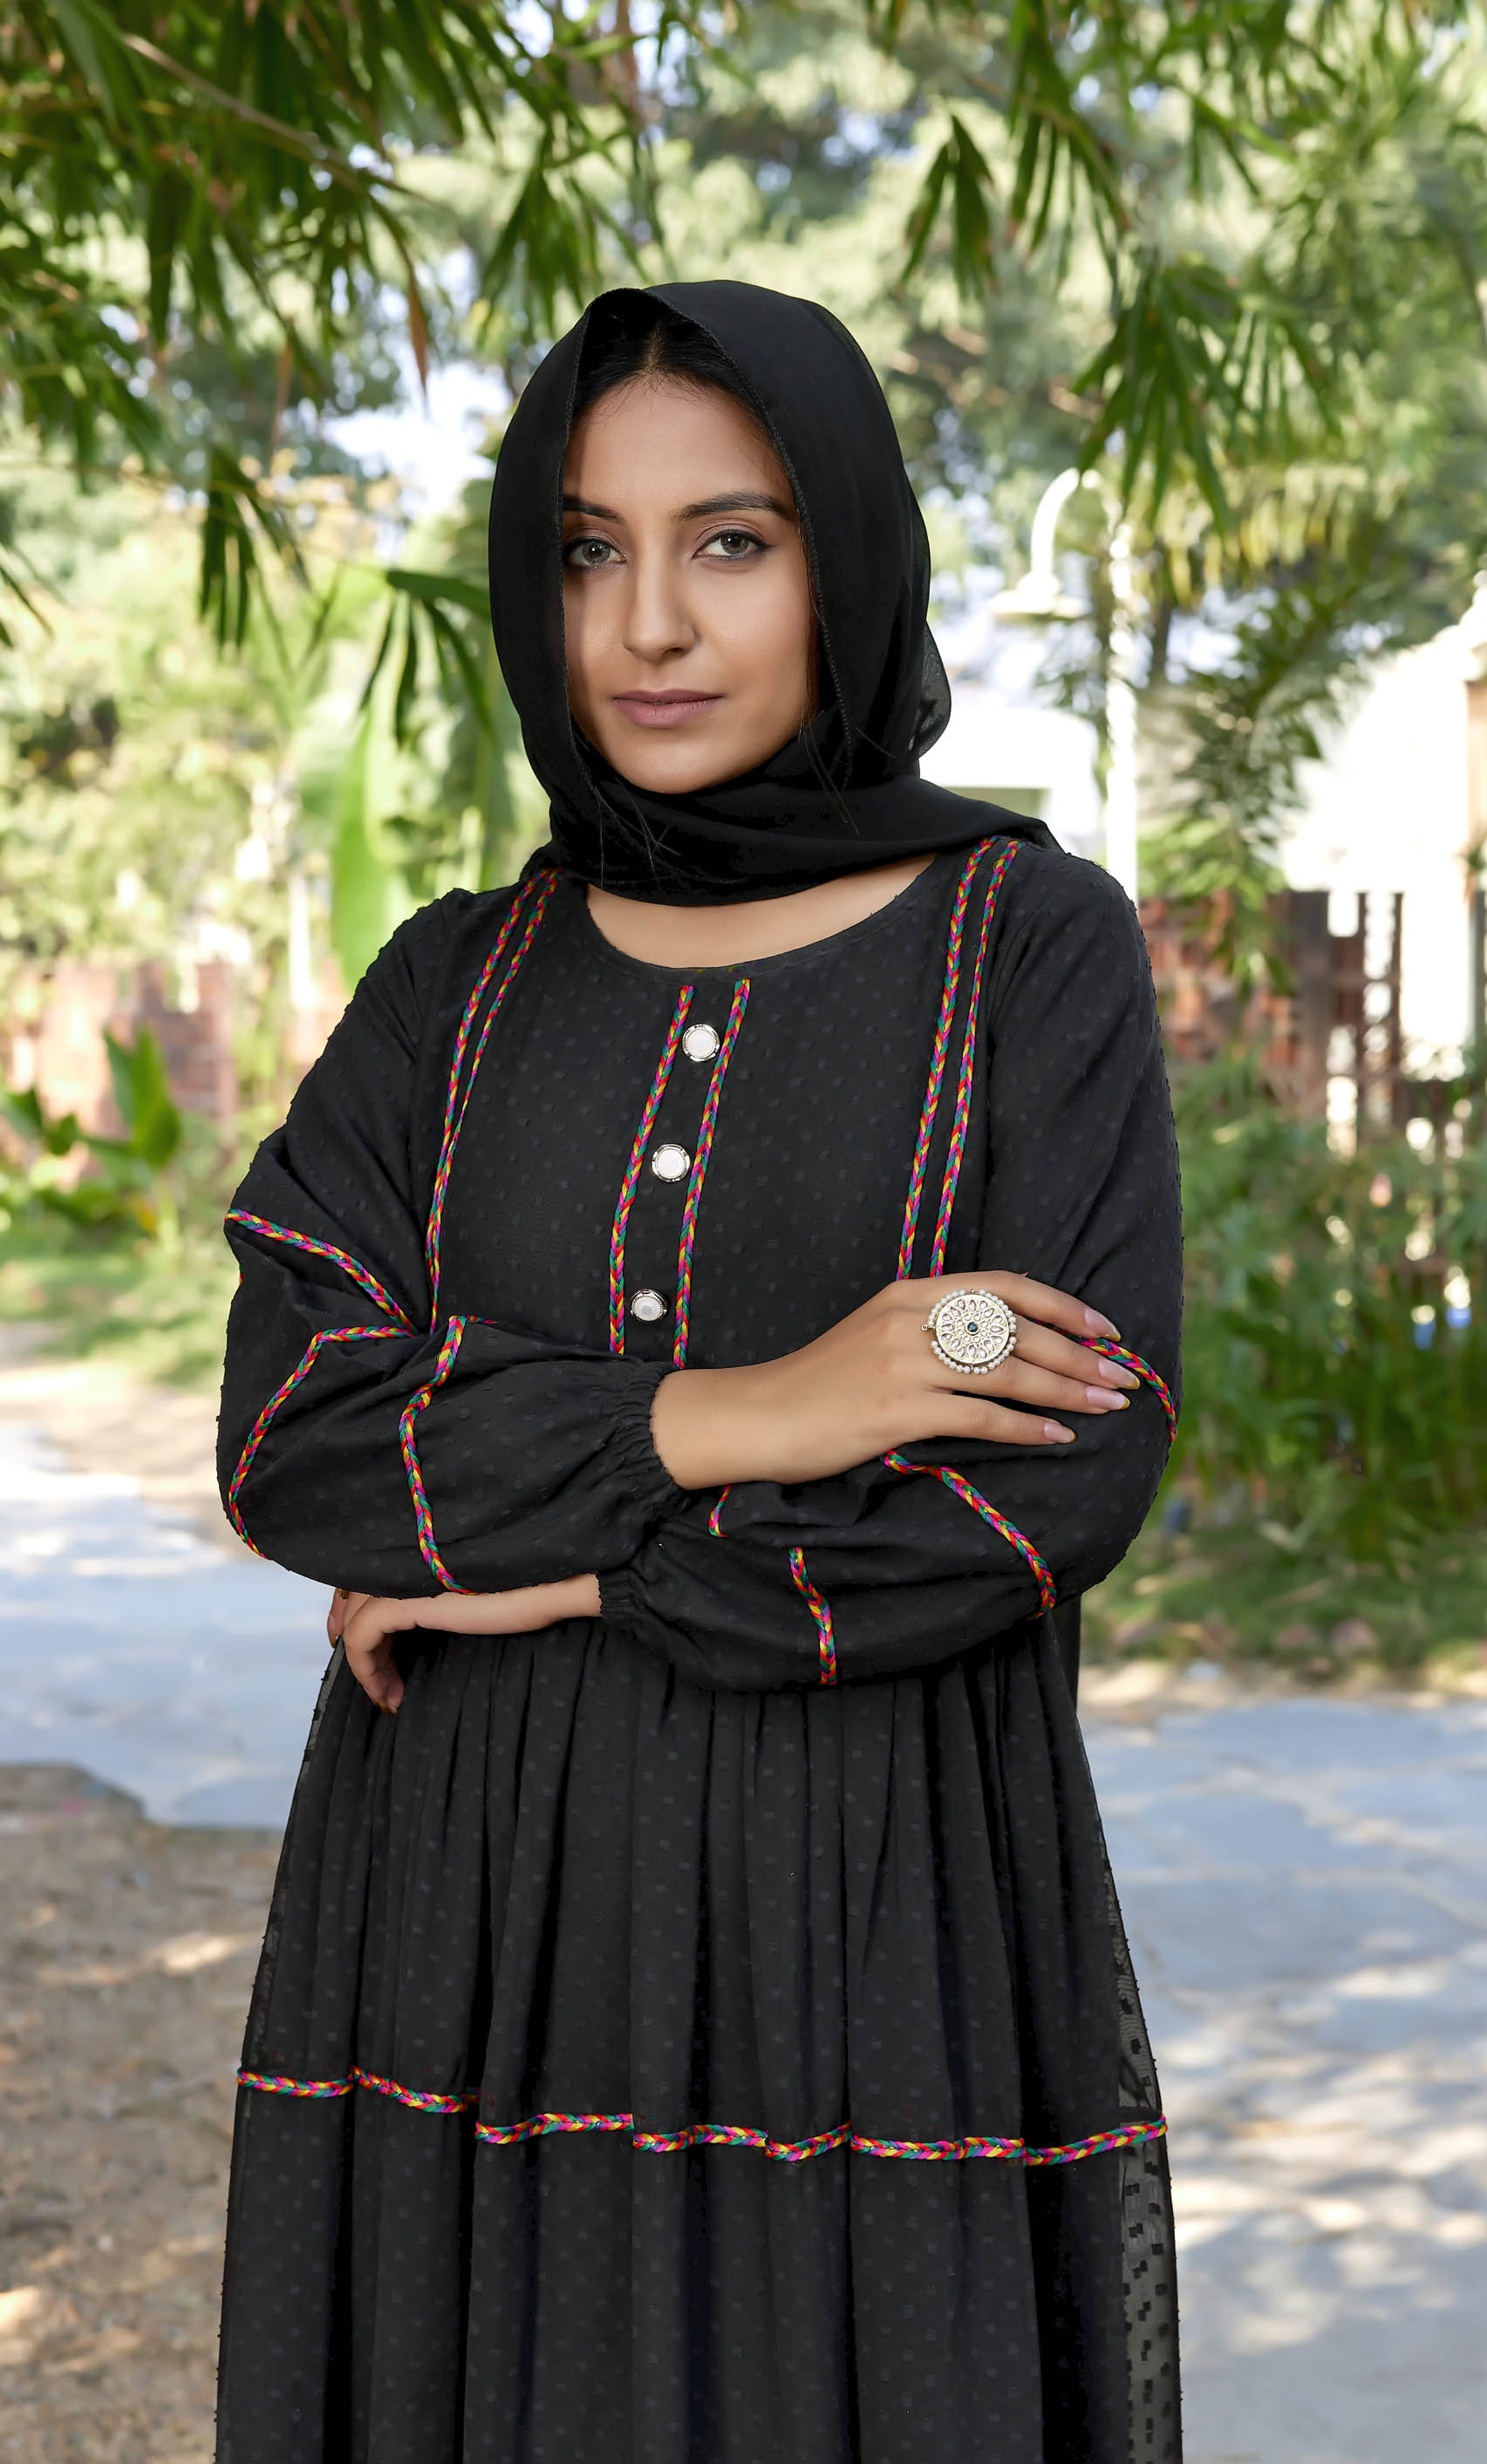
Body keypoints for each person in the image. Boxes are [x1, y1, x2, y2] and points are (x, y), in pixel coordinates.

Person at [214, 279, 1183, 2464]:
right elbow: (295, 1433)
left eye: (730, 541)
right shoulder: (451, 986)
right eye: (587, 551)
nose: (648, 622)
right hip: (460, 1922)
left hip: (874, 1917)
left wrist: (547, 1571)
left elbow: (1037, 1487)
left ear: (847, 559)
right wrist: (759, 1409)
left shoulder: (1025, 947)